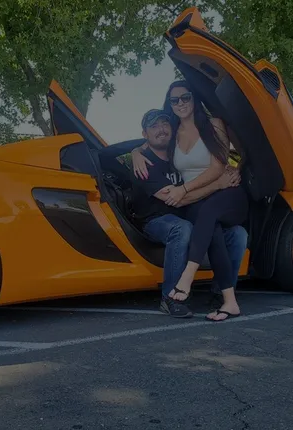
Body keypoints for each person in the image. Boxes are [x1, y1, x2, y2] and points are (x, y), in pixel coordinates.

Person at [98, 108, 247, 319]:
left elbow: (206, 169)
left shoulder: (179, 155)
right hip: (155, 221)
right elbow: (178, 199)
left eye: (164, 124)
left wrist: (231, 171)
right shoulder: (144, 165)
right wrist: (218, 185)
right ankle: (170, 298)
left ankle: (220, 293)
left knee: (238, 234)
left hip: (186, 213)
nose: (161, 129)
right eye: (154, 126)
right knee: (182, 228)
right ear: (145, 134)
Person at [130, 81, 250, 321]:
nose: (181, 103)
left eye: (185, 97)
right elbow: (150, 140)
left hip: (222, 192)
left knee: (211, 215)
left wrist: (185, 188)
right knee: (230, 233)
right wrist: (135, 153)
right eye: (175, 100)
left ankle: (188, 278)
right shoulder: (172, 131)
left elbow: (219, 167)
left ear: (194, 98)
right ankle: (226, 299)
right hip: (195, 200)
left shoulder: (214, 124)